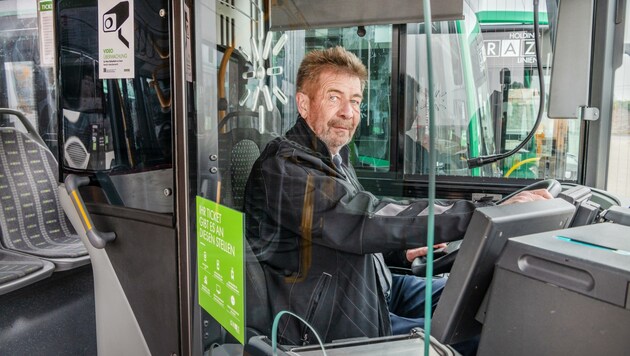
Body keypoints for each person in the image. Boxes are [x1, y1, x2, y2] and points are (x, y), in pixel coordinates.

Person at [243, 46, 552, 346]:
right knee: (469, 335)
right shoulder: (285, 168)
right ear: (304, 104)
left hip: (372, 286)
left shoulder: (332, 155)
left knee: (479, 302)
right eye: (333, 98)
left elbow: (340, 233)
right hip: (330, 319)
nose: (347, 112)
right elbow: (363, 219)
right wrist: (482, 213)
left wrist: (400, 254)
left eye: (355, 100)